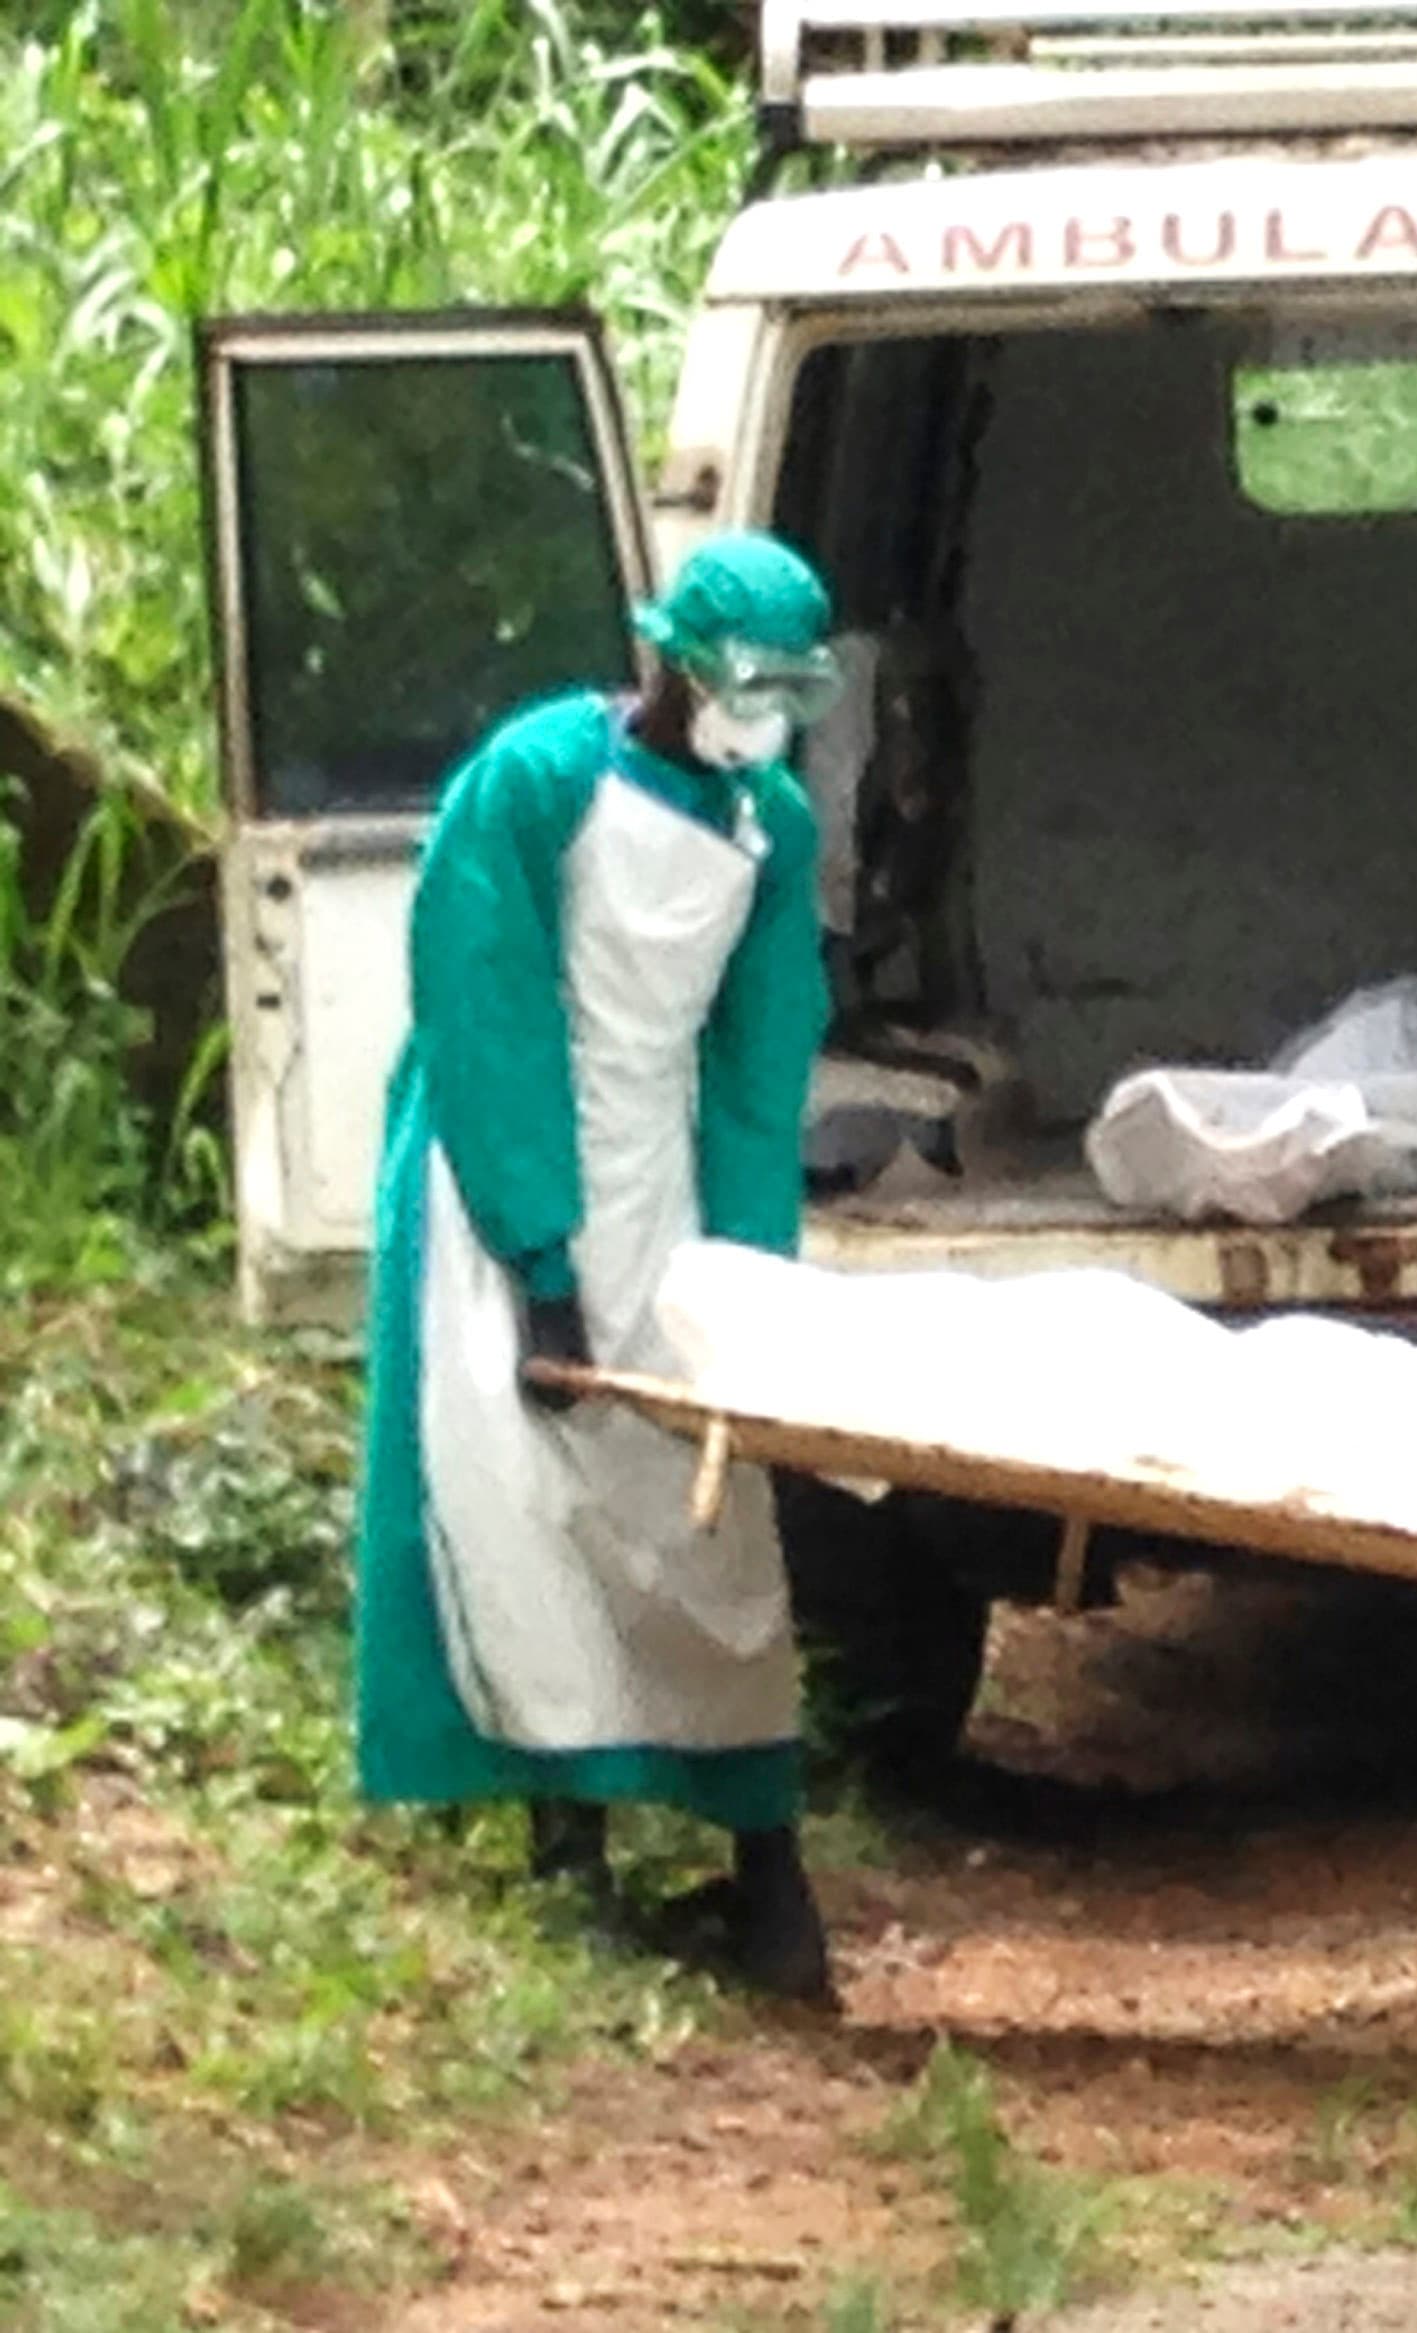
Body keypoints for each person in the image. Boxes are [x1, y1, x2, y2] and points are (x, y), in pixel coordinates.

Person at [352, 533, 849, 2004]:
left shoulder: (772, 827)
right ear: (669, 664)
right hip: (501, 1175)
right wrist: (539, 1254)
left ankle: (765, 1865)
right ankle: (566, 1844)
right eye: (738, 684)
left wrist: (750, 1284)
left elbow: (761, 1061)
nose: (757, 717)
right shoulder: (535, 780)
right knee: (516, 1493)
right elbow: (480, 1004)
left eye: (783, 693)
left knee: (699, 1503)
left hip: (661, 1170)